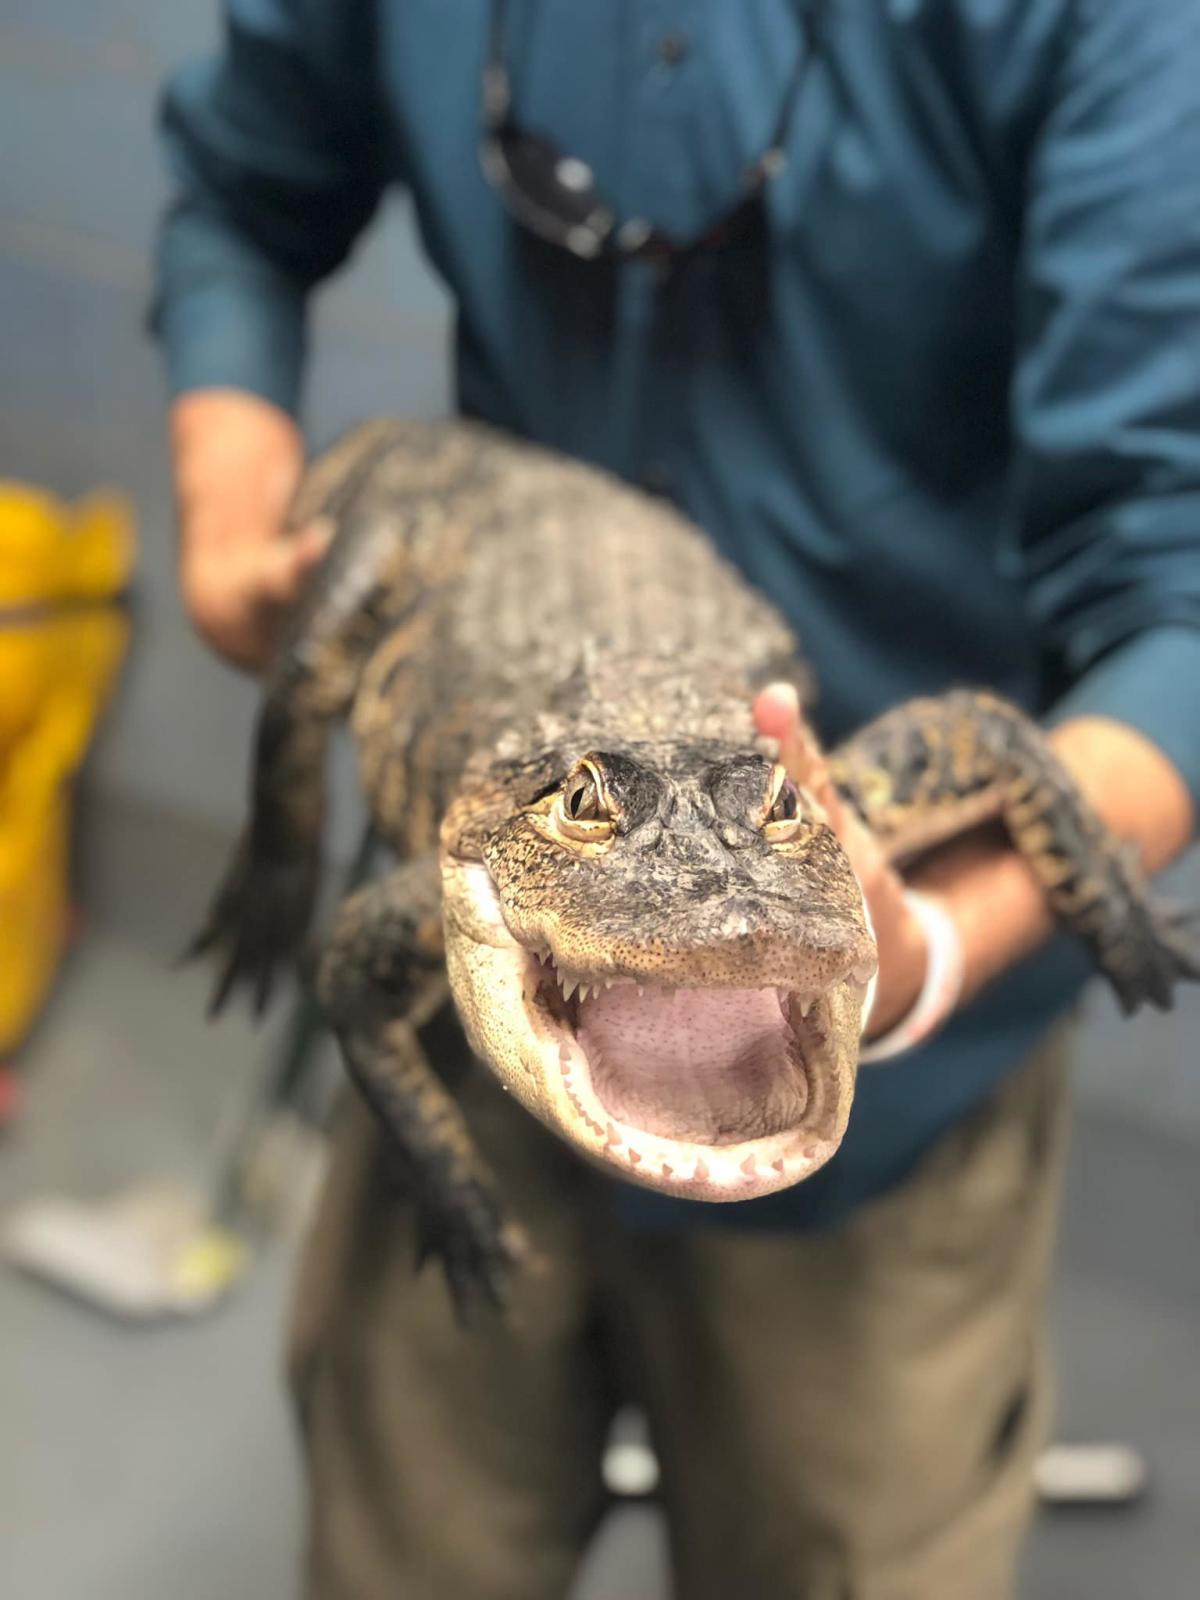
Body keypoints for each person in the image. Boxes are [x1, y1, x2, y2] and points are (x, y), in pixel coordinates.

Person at [153, 4, 1200, 1596]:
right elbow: (238, 186)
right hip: (489, 989)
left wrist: (925, 937)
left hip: (906, 1093)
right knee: (399, 1537)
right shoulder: (448, 898)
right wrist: (236, 516)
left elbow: (1161, 612)